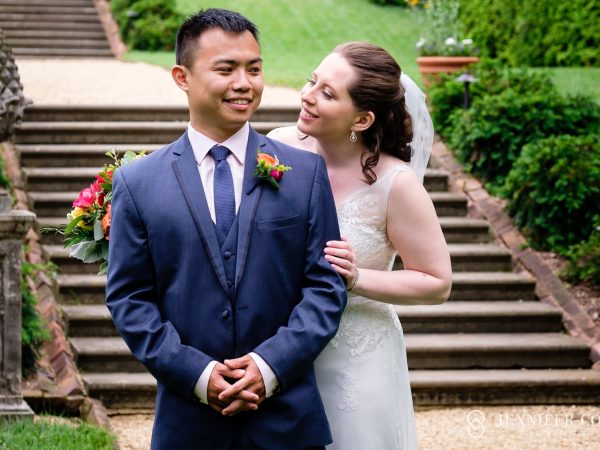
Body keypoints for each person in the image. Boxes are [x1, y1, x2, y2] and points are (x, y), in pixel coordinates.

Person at [106, 9, 347, 450]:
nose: (245, 83)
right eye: (226, 69)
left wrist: (268, 366)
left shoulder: (306, 174)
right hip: (188, 424)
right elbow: (129, 298)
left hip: (288, 423)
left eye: (254, 69)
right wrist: (197, 375)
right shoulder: (138, 183)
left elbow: (325, 286)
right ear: (182, 76)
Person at [268, 42, 452, 449]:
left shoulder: (395, 184)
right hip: (279, 345)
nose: (307, 95)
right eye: (312, 81)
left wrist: (356, 278)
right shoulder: (277, 150)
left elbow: (437, 282)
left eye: (328, 93)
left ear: (363, 118)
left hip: (356, 357)